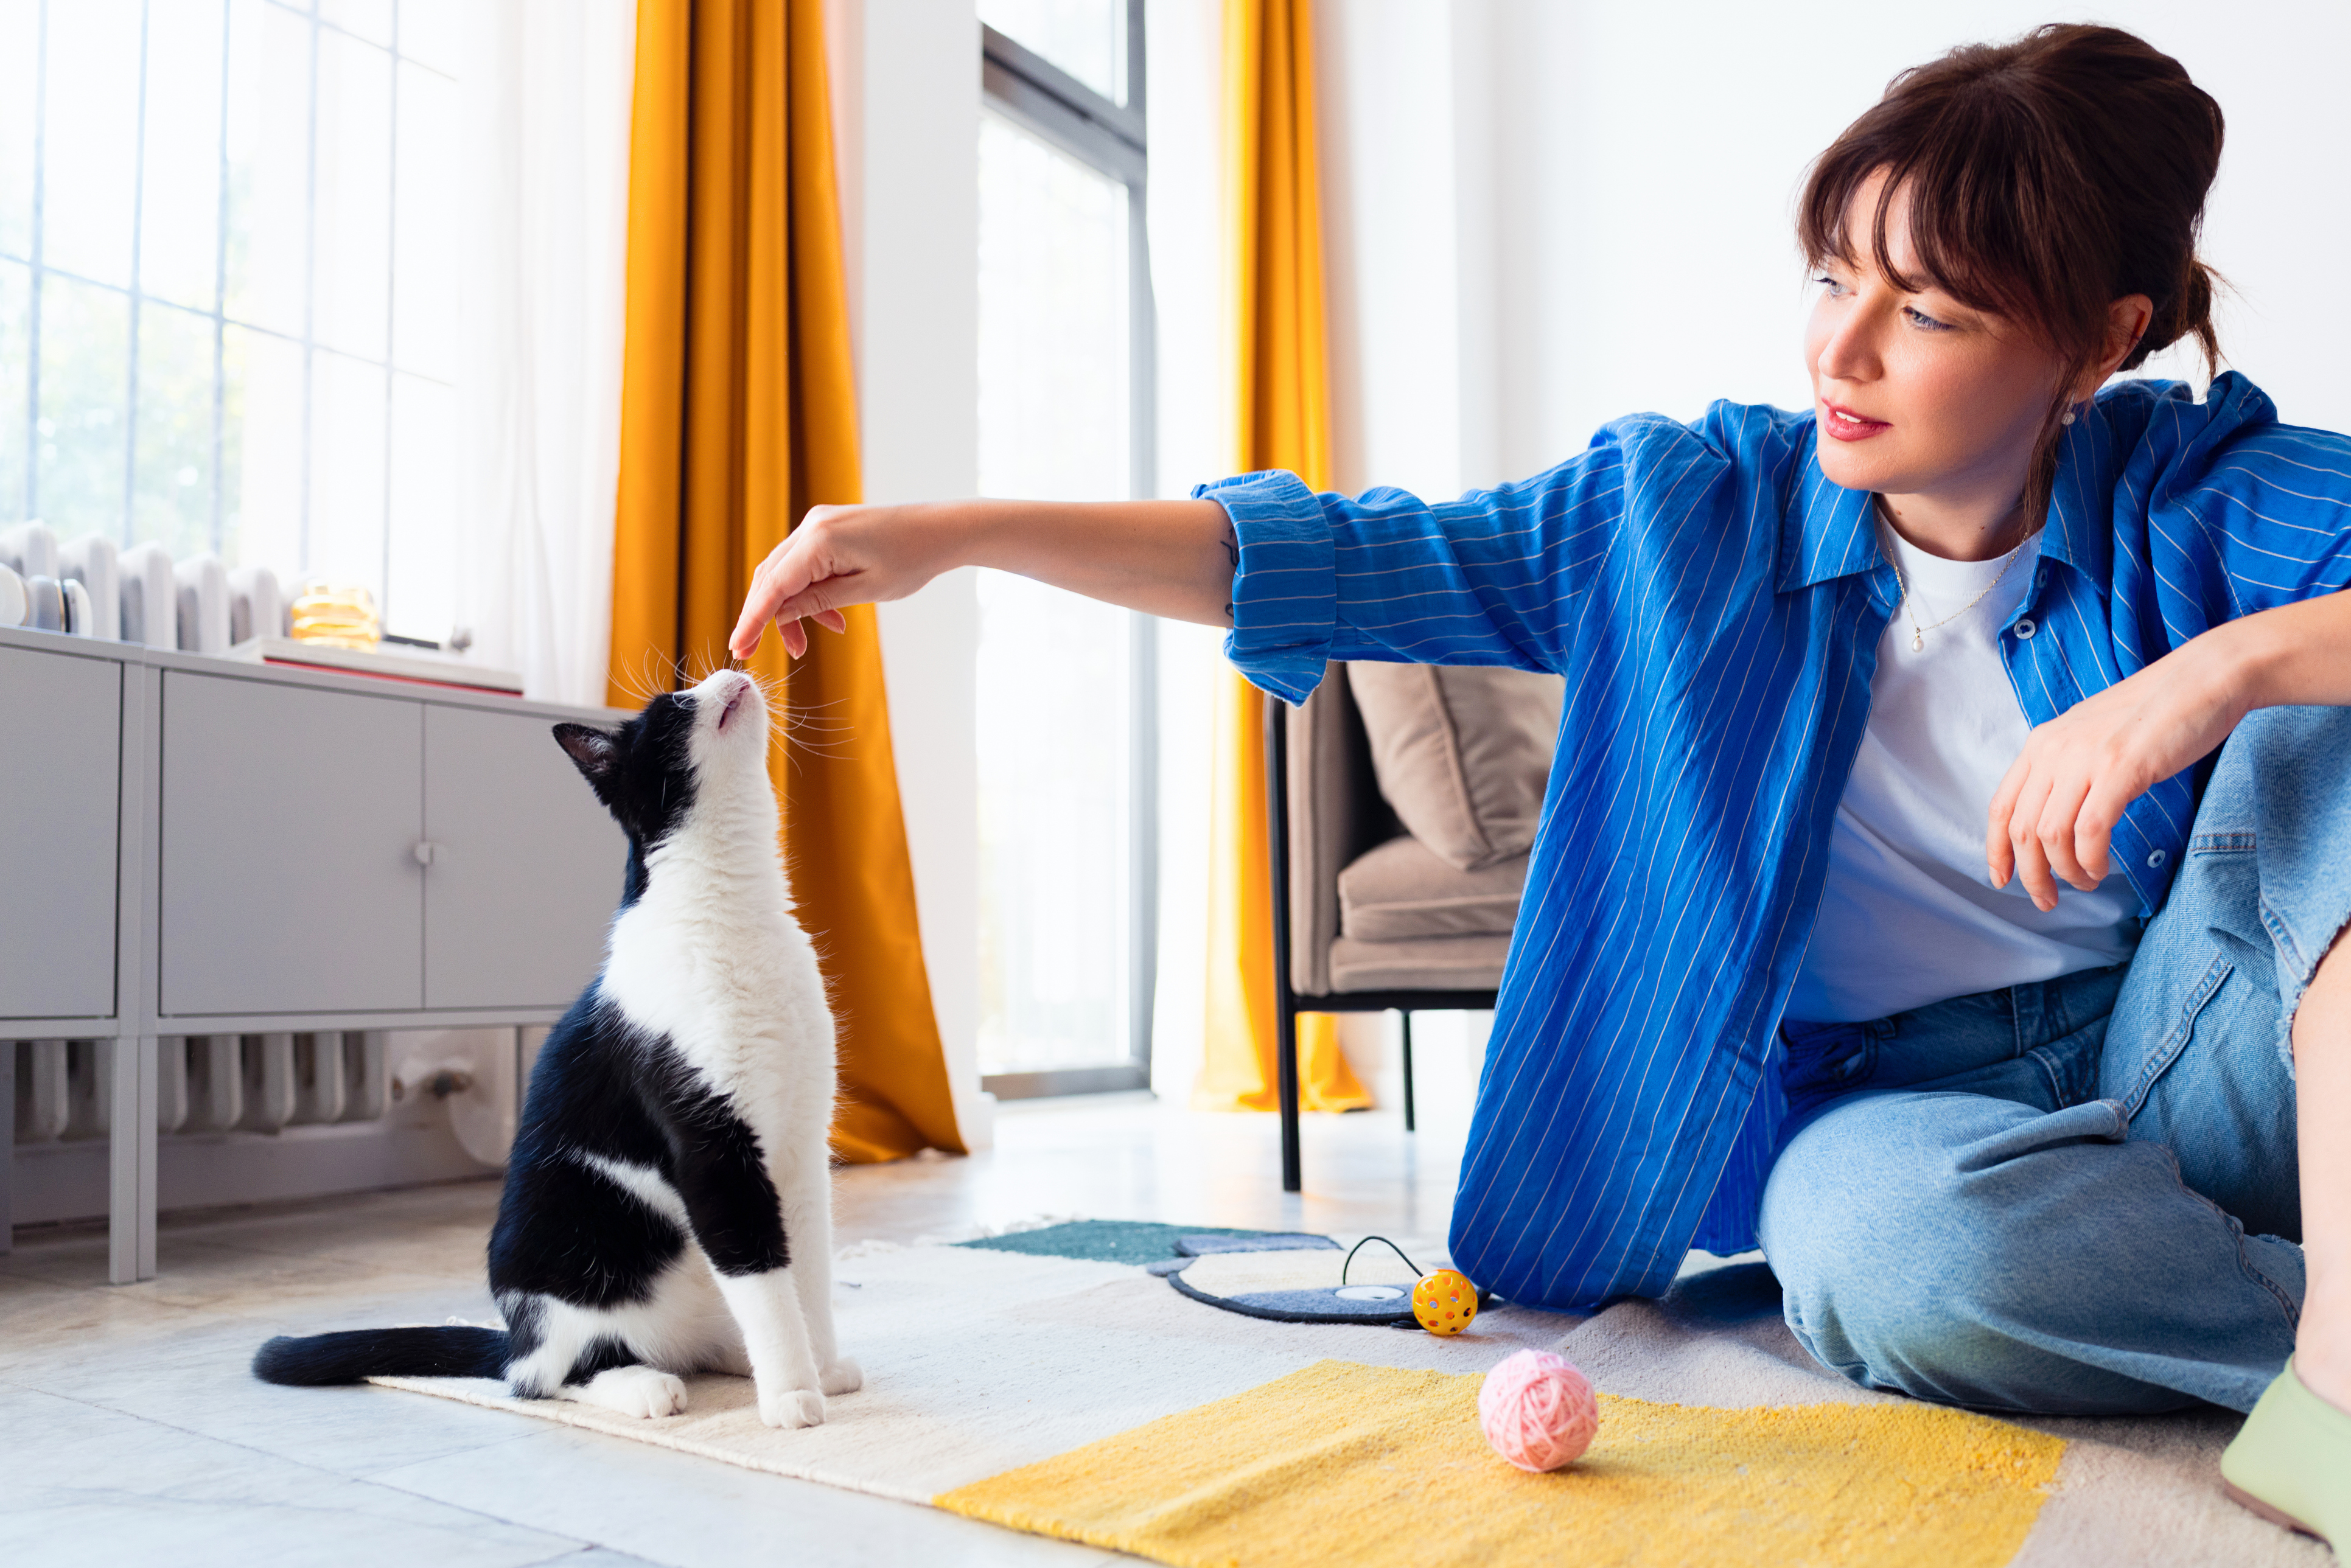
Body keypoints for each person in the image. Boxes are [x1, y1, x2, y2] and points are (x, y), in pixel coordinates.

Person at [730, 24, 2348, 1545]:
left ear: (2100, 340)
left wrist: (2220, 673)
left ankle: (2339, 1390)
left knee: (2326, 720)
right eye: (1833, 276)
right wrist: (949, 534)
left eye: (1928, 310)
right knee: (1882, 1260)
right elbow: (1339, 557)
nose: (1840, 350)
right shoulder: (1680, 514)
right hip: (1892, 1116)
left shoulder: (2188, 488)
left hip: (2187, 1046)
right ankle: (2304, 1299)